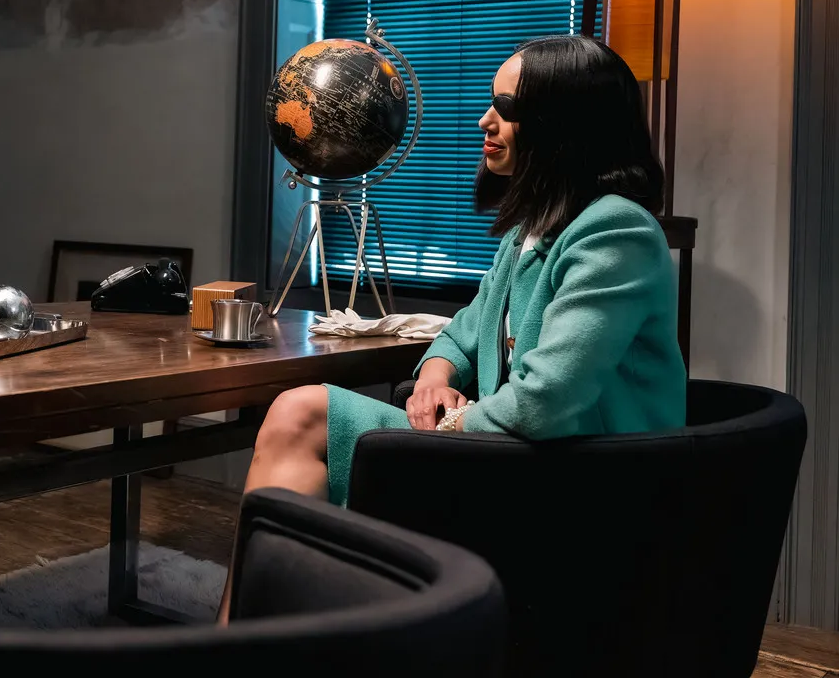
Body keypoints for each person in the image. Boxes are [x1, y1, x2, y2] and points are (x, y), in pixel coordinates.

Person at [218, 34, 685, 622]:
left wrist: (452, 422)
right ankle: (254, 640)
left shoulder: (616, 230)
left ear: (562, 122)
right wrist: (434, 380)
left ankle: (252, 642)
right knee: (299, 413)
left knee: (303, 416)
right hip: (513, 459)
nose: (485, 120)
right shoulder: (532, 230)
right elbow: (465, 330)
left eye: (506, 108)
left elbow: (546, 399)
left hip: (577, 487)